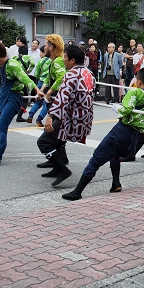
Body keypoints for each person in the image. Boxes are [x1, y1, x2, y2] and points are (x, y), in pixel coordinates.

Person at [61, 68, 144, 201]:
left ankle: (78, 191)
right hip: (135, 137)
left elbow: (125, 110)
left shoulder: (135, 92)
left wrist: (117, 108)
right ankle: (116, 183)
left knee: (96, 159)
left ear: (139, 82)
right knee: (115, 155)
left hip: (122, 131)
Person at [35, 44, 95, 185]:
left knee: (44, 142)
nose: (63, 60)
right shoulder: (88, 73)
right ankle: (57, 167)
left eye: (65, 57)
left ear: (72, 60)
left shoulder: (71, 74)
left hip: (70, 117)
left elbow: (63, 98)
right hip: (83, 117)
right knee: (58, 140)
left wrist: (50, 116)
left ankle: (63, 169)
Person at [0, 41, 38, 168]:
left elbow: (25, 78)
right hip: (3, 97)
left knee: (1, 127)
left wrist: (37, 90)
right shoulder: (1, 64)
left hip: (13, 98)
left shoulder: (12, 64)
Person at [34, 35, 67, 127]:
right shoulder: (53, 61)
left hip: (58, 100)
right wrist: (41, 90)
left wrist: (48, 92)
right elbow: (48, 77)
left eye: (46, 45)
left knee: (50, 134)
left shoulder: (58, 61)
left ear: (51, 47)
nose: (44, 48)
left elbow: (61, 77)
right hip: (55, 100)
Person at [26, 44, 52, 123]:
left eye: (41, 52)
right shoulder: (53, 60)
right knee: (47, 102)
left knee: (38, 101)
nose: (40, 54)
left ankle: (31, 115)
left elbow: (36, 74)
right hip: (49, 83)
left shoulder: (41, 61)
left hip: (41, 82)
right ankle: (39, 119)